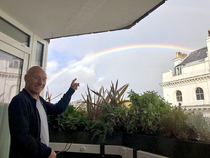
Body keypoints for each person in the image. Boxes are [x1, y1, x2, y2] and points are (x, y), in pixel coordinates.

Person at [8, 66, 79, 158]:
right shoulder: (20, 101)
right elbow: (22, 138)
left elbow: (57, 109)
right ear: (26, 78)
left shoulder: (39, 101)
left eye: (44, 79)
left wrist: (71, 90)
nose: (41, 82)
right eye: (36, 77)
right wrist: (47, 152)